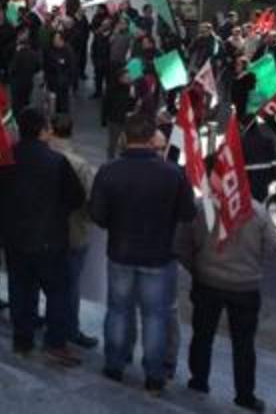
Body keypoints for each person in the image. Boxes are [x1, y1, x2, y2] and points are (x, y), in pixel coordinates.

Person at [89, 113, 197, 394]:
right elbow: (188, 213)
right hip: (159, 256)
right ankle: (154, 374)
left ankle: (114, 363)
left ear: (126, 137)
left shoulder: (109, 171)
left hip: (121, 253)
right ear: (151, 139)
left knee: (118, 310)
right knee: (155, 316)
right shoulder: (172, 173)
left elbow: (98, 216)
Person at [175, 200, 276, 412]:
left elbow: (182, 244)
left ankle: (198, 380)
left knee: (202, 335)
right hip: (245, 285)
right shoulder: (258, 212)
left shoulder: (201, 206)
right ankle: (244, 395)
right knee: (243, 344)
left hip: (208, 280)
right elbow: (274, 251)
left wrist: (197, 269)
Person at [1, 109, 86, 366]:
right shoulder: (57, 161)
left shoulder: (7, 158)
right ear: (41, 130)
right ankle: (55, 343)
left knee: (20, 288)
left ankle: (22, 338)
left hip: (15, 235)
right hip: (49, 237)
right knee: (57, 291)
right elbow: (77, 197)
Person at [46, 115, 100, 350]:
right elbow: (88, 201)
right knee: (69, 284)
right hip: (72, 230)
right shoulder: (78, 163)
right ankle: (68, 328)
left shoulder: (43, 156)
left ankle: (52, 322)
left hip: (43, 230)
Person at [101, 68, 134, 161]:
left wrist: (132, 97)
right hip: (114, 119)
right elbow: (106, 104)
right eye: (126, 77)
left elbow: (131, 106)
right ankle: (110, 160)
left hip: (126, 119)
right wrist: (104, 119)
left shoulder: (130, 89)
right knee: (113, 142)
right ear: (119, 78)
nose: (128, 79)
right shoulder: (111, 89)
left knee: (126, 142)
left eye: (129, 77)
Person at [43, 31, 76, 114]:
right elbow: (46, 65)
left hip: (63, 84)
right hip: (52, 83)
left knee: (63, 105)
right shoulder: (49, 49)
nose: (54, 41)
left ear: (62, 40)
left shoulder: (68, 51)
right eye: (54, 39)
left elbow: (72, 68)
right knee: (52, 106)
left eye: (56, 39)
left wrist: (68, 81)